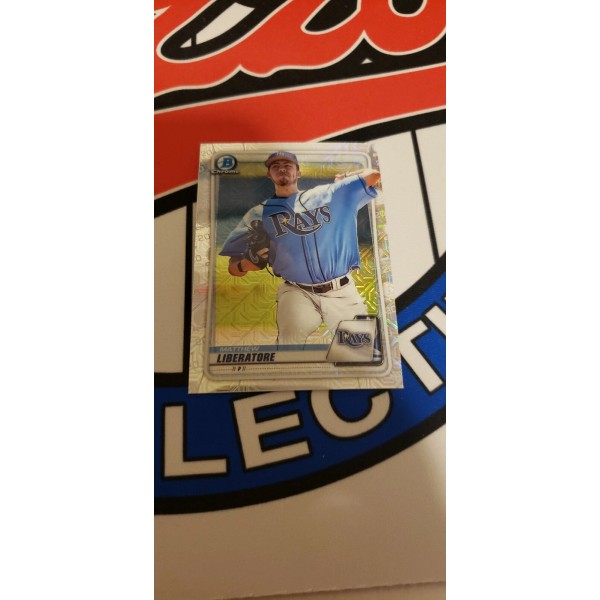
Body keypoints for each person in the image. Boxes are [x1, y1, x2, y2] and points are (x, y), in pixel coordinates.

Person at [220, 150, 381, 347]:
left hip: (342, 291)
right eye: (275, 166)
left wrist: (345, 177)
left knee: (359, 352)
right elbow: (233, 267)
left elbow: (374, 175)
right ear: (269, 174)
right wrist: (245, 264)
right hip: (297, 291)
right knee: (287, 348)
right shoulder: (258, 214)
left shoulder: (331, 193)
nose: (281, 169)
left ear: (298, 173)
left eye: (287, 165)